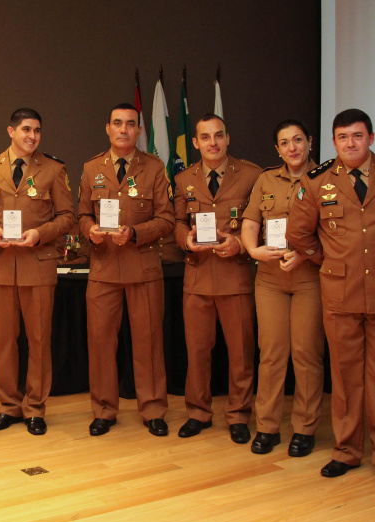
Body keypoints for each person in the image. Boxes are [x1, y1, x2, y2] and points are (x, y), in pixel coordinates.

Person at [287, 108, 375, 490]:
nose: (350, 143)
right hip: (339, 291)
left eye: (358, 136)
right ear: (333, 142)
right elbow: (299, 234)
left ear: (372, 138)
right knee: (345, 378)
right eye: (343, 137)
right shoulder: (317, 181)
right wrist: (329, 260)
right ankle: (347, 450)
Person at [0, 108, 75, 435]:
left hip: (38, 265)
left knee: (39, 339)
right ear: (11, 131)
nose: (32, 136)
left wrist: (40, 234)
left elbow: (67, 217)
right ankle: (8, 406)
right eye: (26, 130)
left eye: (37, 131)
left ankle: (34, 407)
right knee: (2, 341)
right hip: (0, 266)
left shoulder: (54, 169)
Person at [78, 103, 175, 436]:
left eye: (130, 124)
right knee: (101, 342)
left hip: (143, 267)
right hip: (103, 268)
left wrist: (134, 233)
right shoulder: (92, 168)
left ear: (138, 130)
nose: (123, 130)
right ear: (107, 128)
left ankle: (153, 409)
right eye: (117, 123)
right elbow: (81, 215)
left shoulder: (154, 167)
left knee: (148, 342)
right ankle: (104, 409)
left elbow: (167, 219)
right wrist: (89, 229)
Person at [173, 114, 259, 444]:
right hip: (197, 276)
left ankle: (238, 414)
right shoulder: (183, 179)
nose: (213, 143)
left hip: (235, 276)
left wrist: (240, 244)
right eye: (205, 137)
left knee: (240, 352)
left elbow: (262, 223)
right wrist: (185, 240)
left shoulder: (251, 175)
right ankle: (198, 412)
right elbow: (177, 222)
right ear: (195, 143)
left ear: (227, 138)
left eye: (219, 136)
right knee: (197, 352)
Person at [241, 120, 324, 456]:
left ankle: (304, 428)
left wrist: (306, 256)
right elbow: (250, 222)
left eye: (298, 140)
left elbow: (334, 233)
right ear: (277, 149)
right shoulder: (265, 179)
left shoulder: (327, 179)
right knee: (272, 354)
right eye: (285, 143)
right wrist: (252, 250)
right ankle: (268, 427)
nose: (292, 148)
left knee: (306, 354)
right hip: (271, 279)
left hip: (309, 278)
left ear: (310, 143)